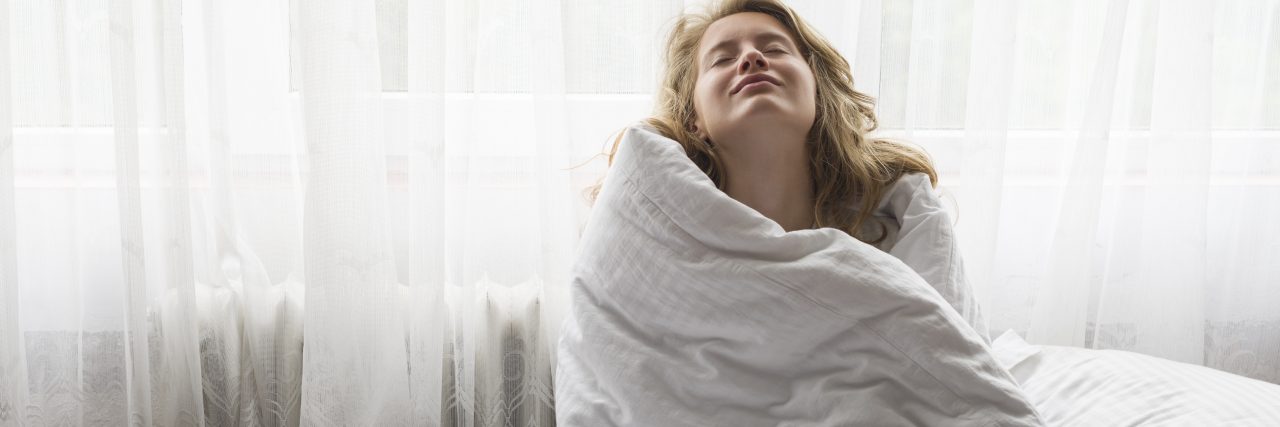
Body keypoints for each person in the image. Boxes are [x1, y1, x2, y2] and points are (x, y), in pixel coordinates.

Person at [584, 0, 989, 339]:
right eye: (723, 59)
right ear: (694, 120)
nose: (751, 58)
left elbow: (954, 358)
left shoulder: (901, 224)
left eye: (775, 50)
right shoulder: (660, 242)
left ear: (816, 89)